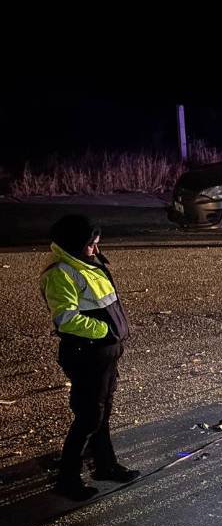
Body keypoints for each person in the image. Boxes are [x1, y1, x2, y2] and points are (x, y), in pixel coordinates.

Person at [40, 215, 139, 501]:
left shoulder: (86, 264)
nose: (95, 249)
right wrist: (106, 331)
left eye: (97, 243)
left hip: (104, 353)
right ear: (74, 244)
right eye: (90, 244)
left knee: (101, 413)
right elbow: (65, 319)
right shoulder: (62, 272)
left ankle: (105, 466)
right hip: (87, 354)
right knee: (89, 417)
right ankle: (68, 479)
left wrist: (113, 335)